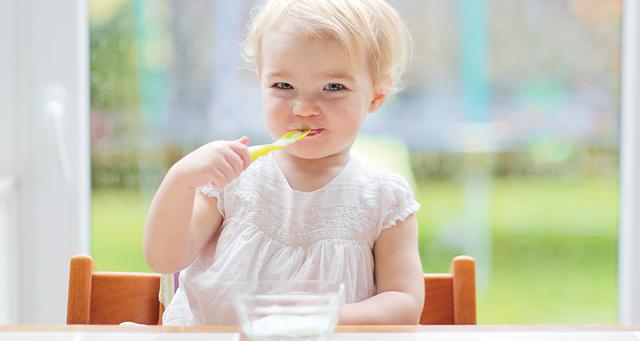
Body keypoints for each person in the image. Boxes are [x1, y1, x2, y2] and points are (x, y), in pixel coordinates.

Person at [144, 0, 424, 326]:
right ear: (260, 83)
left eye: (333, 87)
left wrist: (326, 317)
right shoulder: (233, 177)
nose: (304, 108)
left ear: (376, 95)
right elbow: (164, 258)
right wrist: (180, 179)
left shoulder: (383, 200)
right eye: (283, 86)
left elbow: (404, 304)